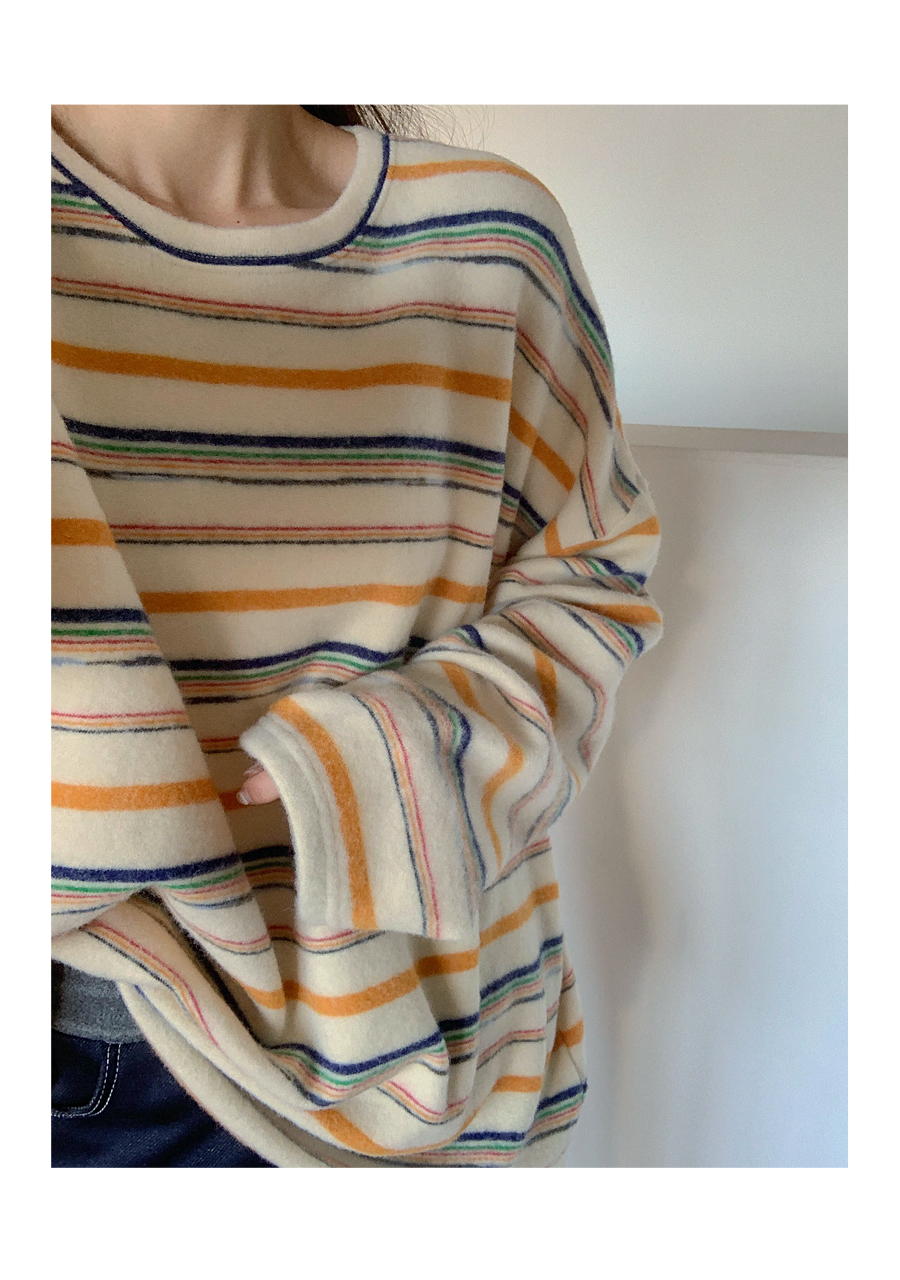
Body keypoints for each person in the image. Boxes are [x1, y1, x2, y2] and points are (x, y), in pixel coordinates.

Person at [51, 104, 663, 1167]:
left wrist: (391, 763)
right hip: (88, 1034)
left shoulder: (491, 240)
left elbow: (591, 576)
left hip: (428, 1030)